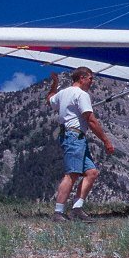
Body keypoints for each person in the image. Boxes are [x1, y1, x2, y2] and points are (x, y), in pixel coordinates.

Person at [46, 67, 114, 223]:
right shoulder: (81, 94)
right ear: (82, 78)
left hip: (72, 135)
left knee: (91, 172)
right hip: (74, 136)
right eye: (90, 78)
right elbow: (90, 120)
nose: (92, 82)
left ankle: (77, 209)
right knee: (72, 174)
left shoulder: (63, 93)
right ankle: (58, 212)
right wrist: (106, 140)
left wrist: (55, 84)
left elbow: (49, 99)